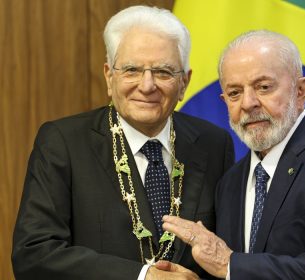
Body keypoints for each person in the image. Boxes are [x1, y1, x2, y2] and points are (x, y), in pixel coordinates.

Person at [12, 6, 234, 280]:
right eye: (131, 70)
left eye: (164, 72)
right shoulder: (63, 143)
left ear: (184, 83)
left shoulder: (214, 143)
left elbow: (228, 251)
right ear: (109, 76)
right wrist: (143, 276)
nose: (147, 85)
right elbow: (34, 254)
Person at [162, 30, 305, 279]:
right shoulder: (230, 182)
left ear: (301, 91)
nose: (248, 103)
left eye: (263, 87)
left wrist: (229, 264)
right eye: (234, 93)